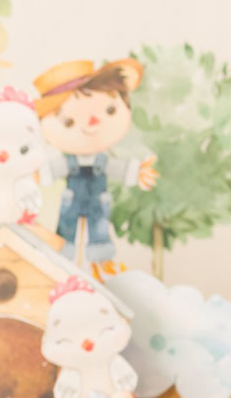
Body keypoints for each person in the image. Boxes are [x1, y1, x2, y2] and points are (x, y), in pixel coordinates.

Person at [33, 59, 159, 268]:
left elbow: (117, 167)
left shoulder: (103, 160)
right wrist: (36, 174)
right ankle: (62, 262)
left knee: (99, 230)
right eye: (68, 122)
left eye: (110, 110)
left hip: (98, 202)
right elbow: (54, 169)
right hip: (71, 201)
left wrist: (136, 172)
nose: (92, 124)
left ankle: (101, 263)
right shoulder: (68, 161)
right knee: (66, 228)